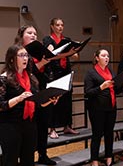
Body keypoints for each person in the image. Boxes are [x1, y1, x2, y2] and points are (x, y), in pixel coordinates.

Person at [0, 45, 58, 166]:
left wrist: (49, 100)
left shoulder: (32, 78)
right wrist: (18, 99)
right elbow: (1, 105)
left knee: (28, 160)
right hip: (10, 125)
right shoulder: (4, 78)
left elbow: (36, 103)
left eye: (26, 55)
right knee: (10, 160)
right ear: (12, 59)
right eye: (21, 55)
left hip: (29, 124)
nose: (25, 58)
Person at [14, 25, 57, 165]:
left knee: (44, 125)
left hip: (44, 90)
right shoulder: (17, 52)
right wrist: (44, 62)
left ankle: (43, 154)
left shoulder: (41, 51)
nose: (33, 35)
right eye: (29, 33)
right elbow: (27, 71)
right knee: (30, 128)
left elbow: (48, 73)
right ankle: (26, 156)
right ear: (22, 36)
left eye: (35, 33)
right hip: (27, 93)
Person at [84, 49, 123, 166]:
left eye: (108, 56)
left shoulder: (110, 71)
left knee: (109, 134)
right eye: (103, 55)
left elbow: (115, 90)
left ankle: (109, 158)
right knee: (97, 135)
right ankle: (94, 161)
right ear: (96, 58)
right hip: (97, 109)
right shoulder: (91, 73)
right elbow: (88, 92)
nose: (106, 58)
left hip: (111, 108)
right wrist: (101, 87)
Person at [43, 18, 79, 139]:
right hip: (54, 73)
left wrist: (75, 49)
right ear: (52, 26)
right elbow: (50, 54)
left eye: (62, 25)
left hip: (66, 72)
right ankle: (52, 128)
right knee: (53, 100)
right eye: (57, 25)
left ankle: (67, 126)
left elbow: (75, 57)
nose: (60, 27)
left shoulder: (67, 40)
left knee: (67, 99)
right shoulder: (48, 39)